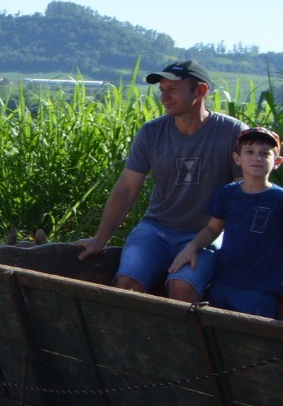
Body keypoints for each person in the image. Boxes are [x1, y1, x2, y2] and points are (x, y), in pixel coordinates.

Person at [77, 60, 245, 301]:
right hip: (155, 229)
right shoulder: (151, 132)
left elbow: (243, 195)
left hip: (206, 233)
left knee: (181, 287)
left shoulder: (232, 132)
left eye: (173, 89)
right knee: (126, 284)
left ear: (201, 91)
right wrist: (100, 239)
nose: (164, 97)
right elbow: (126, 189)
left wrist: (214, 245)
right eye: (162, 90)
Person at [167, 127, 283, 318]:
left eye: (265, 153)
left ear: (277, 162)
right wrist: (192, 246)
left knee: (251, 339)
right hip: (224, 280)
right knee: (217, 331)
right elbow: (213, 228)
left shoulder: (279, 198)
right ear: (237, 158)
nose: (257, 158)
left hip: (260, 286)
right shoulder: (228, 193)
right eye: (250, 152)